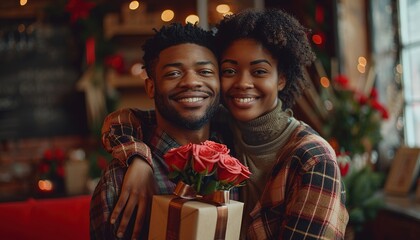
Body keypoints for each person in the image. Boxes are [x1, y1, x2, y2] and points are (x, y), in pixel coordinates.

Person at [102, 8, 349, 239]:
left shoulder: (313, 158)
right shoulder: (221, 127)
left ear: (282, 78)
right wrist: (137, 157)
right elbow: (126, 118)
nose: (243, 82)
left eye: (259, 71)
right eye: (230, 71)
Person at [89, 22, 222, 239]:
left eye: (205, 71)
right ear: (151, 87)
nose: (191, 82)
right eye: (174, 74)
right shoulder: (121, 178)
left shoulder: (234, 154)